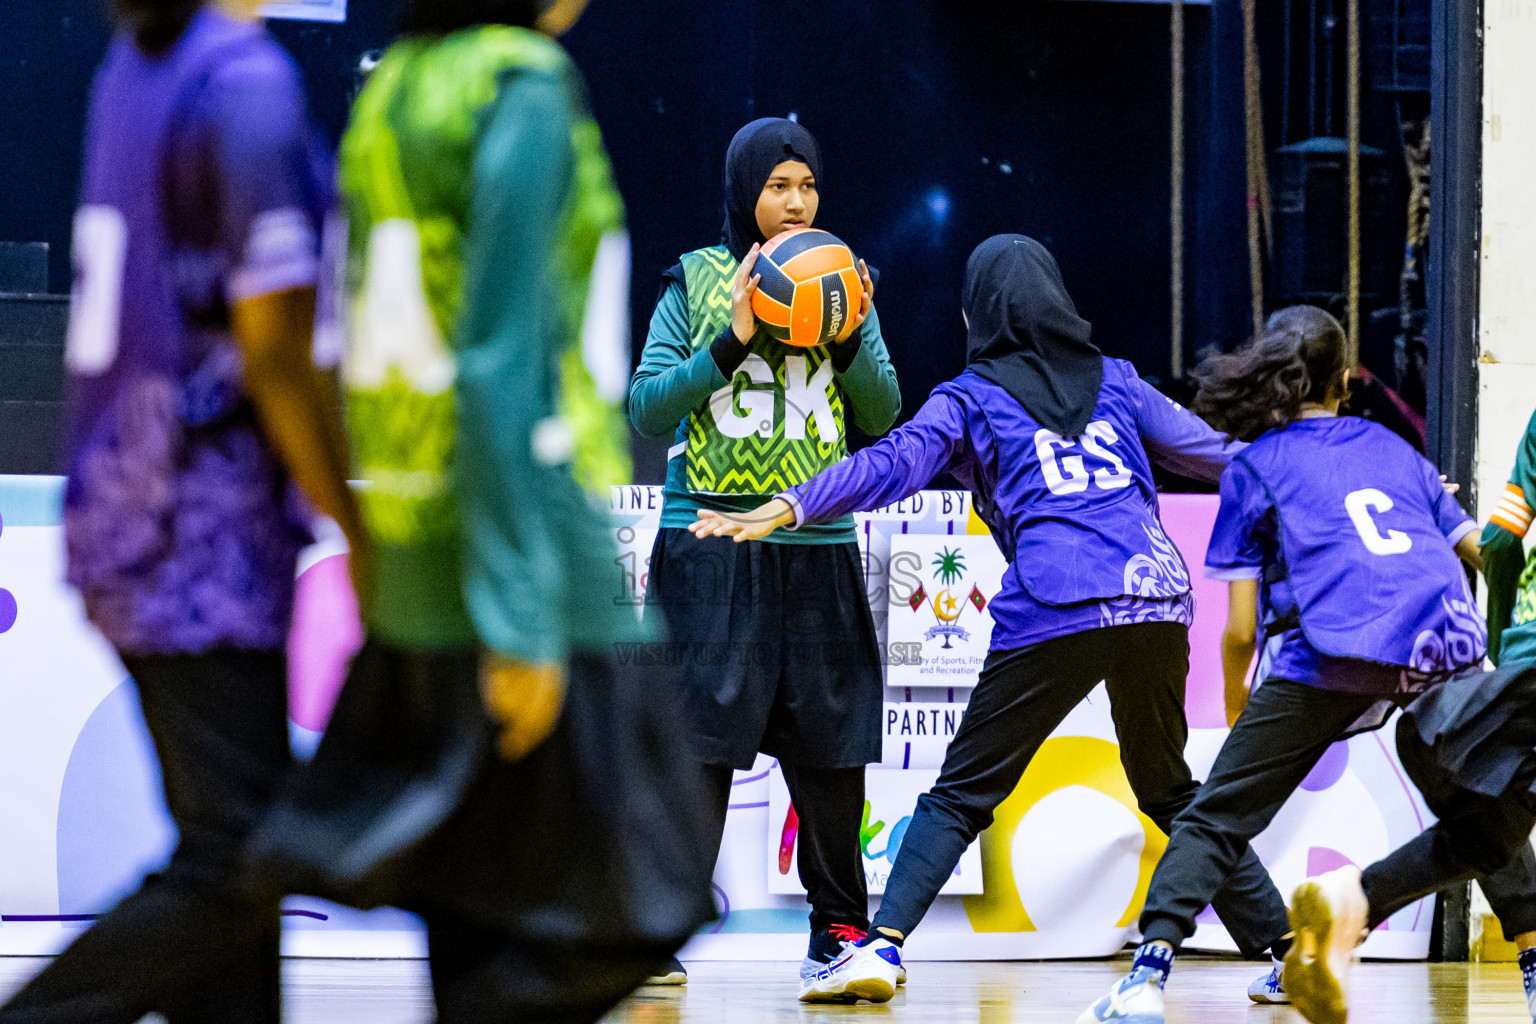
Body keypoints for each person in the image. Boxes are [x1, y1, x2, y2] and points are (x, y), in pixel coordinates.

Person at [245, 2, 717, 1021]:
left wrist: (380, 543)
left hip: (419, 547)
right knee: (657, 893)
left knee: (471, 919)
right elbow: (503, 363)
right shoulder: (523, 84)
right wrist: (518, 615)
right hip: (536, 559)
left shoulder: (394, 87)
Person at [693, 234, 1287, 1003]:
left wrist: (794, 501)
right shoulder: (1119, 381)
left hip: (1056, 600)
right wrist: (1321, 479)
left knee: (962, 793)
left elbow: (891, 462)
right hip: (1156, 596)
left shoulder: (970, 396)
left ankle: (879, 948)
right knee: (1170, 787)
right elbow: (1222, 457)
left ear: (977, 314)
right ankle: (1289, 945)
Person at [0, 0, 364, 1020]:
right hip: (202, 536)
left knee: (229, 861)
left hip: (125, 509)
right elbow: (281, 352)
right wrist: (359, 523)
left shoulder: (135, 67)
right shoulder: (242, 80)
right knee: (241, 856)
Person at [1082, 306, 1491, 1024]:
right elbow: (1477, 549)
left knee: (1214, 818)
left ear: (1268, 373)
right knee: (1482, 802)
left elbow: (1240, 629)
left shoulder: (1257, 465)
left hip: (1331, 652)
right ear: (1345, 379)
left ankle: (1145, 980)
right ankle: (1528, 972)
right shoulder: (1395, 447)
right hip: (1438, 643)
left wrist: (1241, 702)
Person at [626, 116, 901, 988]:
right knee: (697, 743)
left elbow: (884, 410)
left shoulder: (847, 280)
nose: (795, 201)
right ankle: (657, 929)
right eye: (778, 185)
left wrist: (851, 331)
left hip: (815, 540)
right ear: (746, 190)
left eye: (808, 185)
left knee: (830, 746)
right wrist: (734, 336)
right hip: (709, 540)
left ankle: (839, 933)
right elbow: (648, 407)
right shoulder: (697, 280)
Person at [1282, 408, 1536, 1024]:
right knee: (1496, 828)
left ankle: (1354, 898)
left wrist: (1509, 650)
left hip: (1496, 679)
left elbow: (1502, 543)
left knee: (1489, 834)